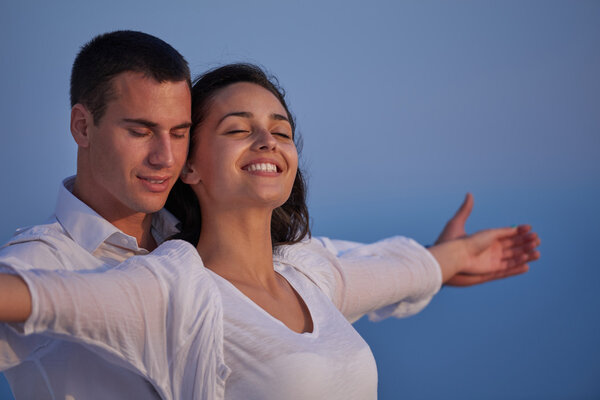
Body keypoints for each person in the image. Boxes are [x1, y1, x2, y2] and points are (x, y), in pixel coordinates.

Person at [0, 63, 540, 399]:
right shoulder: (174, 286)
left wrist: (449, 257)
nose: (267, 141)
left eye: (280, 131)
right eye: (238, 130)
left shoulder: (306, 272)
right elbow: (38, 296)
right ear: (195, 165)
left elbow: (395, 270)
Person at [0, 30, 192, 398]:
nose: (165, 158)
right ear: (82, 127)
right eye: (141, 131)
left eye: (179, 133)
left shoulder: (199, 243)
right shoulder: (30, 262)